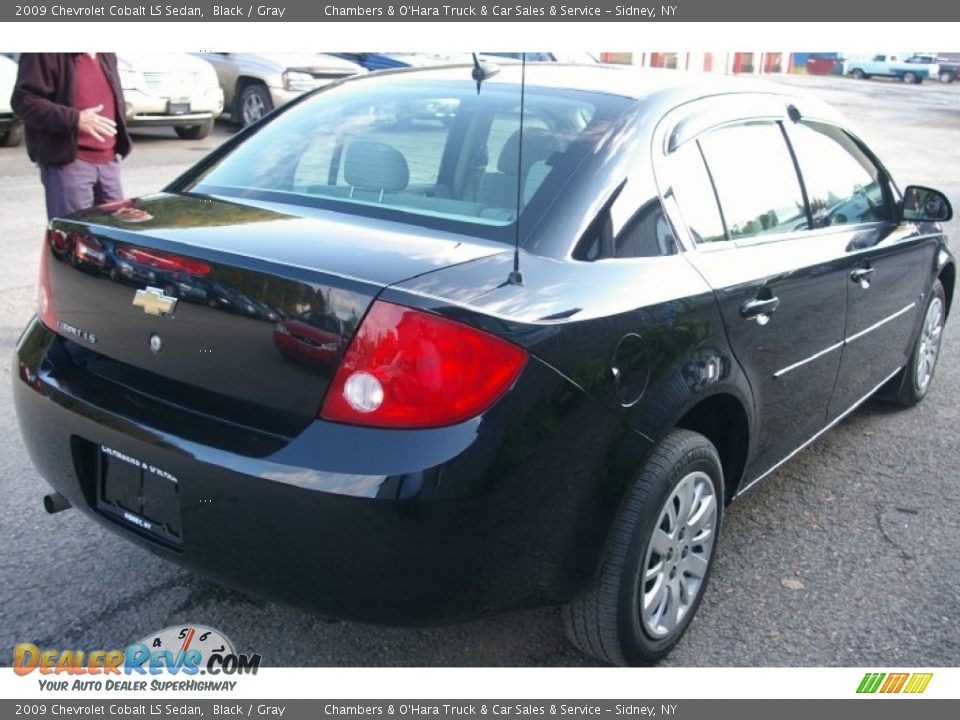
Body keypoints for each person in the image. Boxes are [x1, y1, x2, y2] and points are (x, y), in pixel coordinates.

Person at [11, 53, 131, 219]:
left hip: (109, 161)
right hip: (69, 163)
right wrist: (75, 119)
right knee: (74, 238)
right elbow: (24, 101)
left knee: (115, 237)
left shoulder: (106, 54)